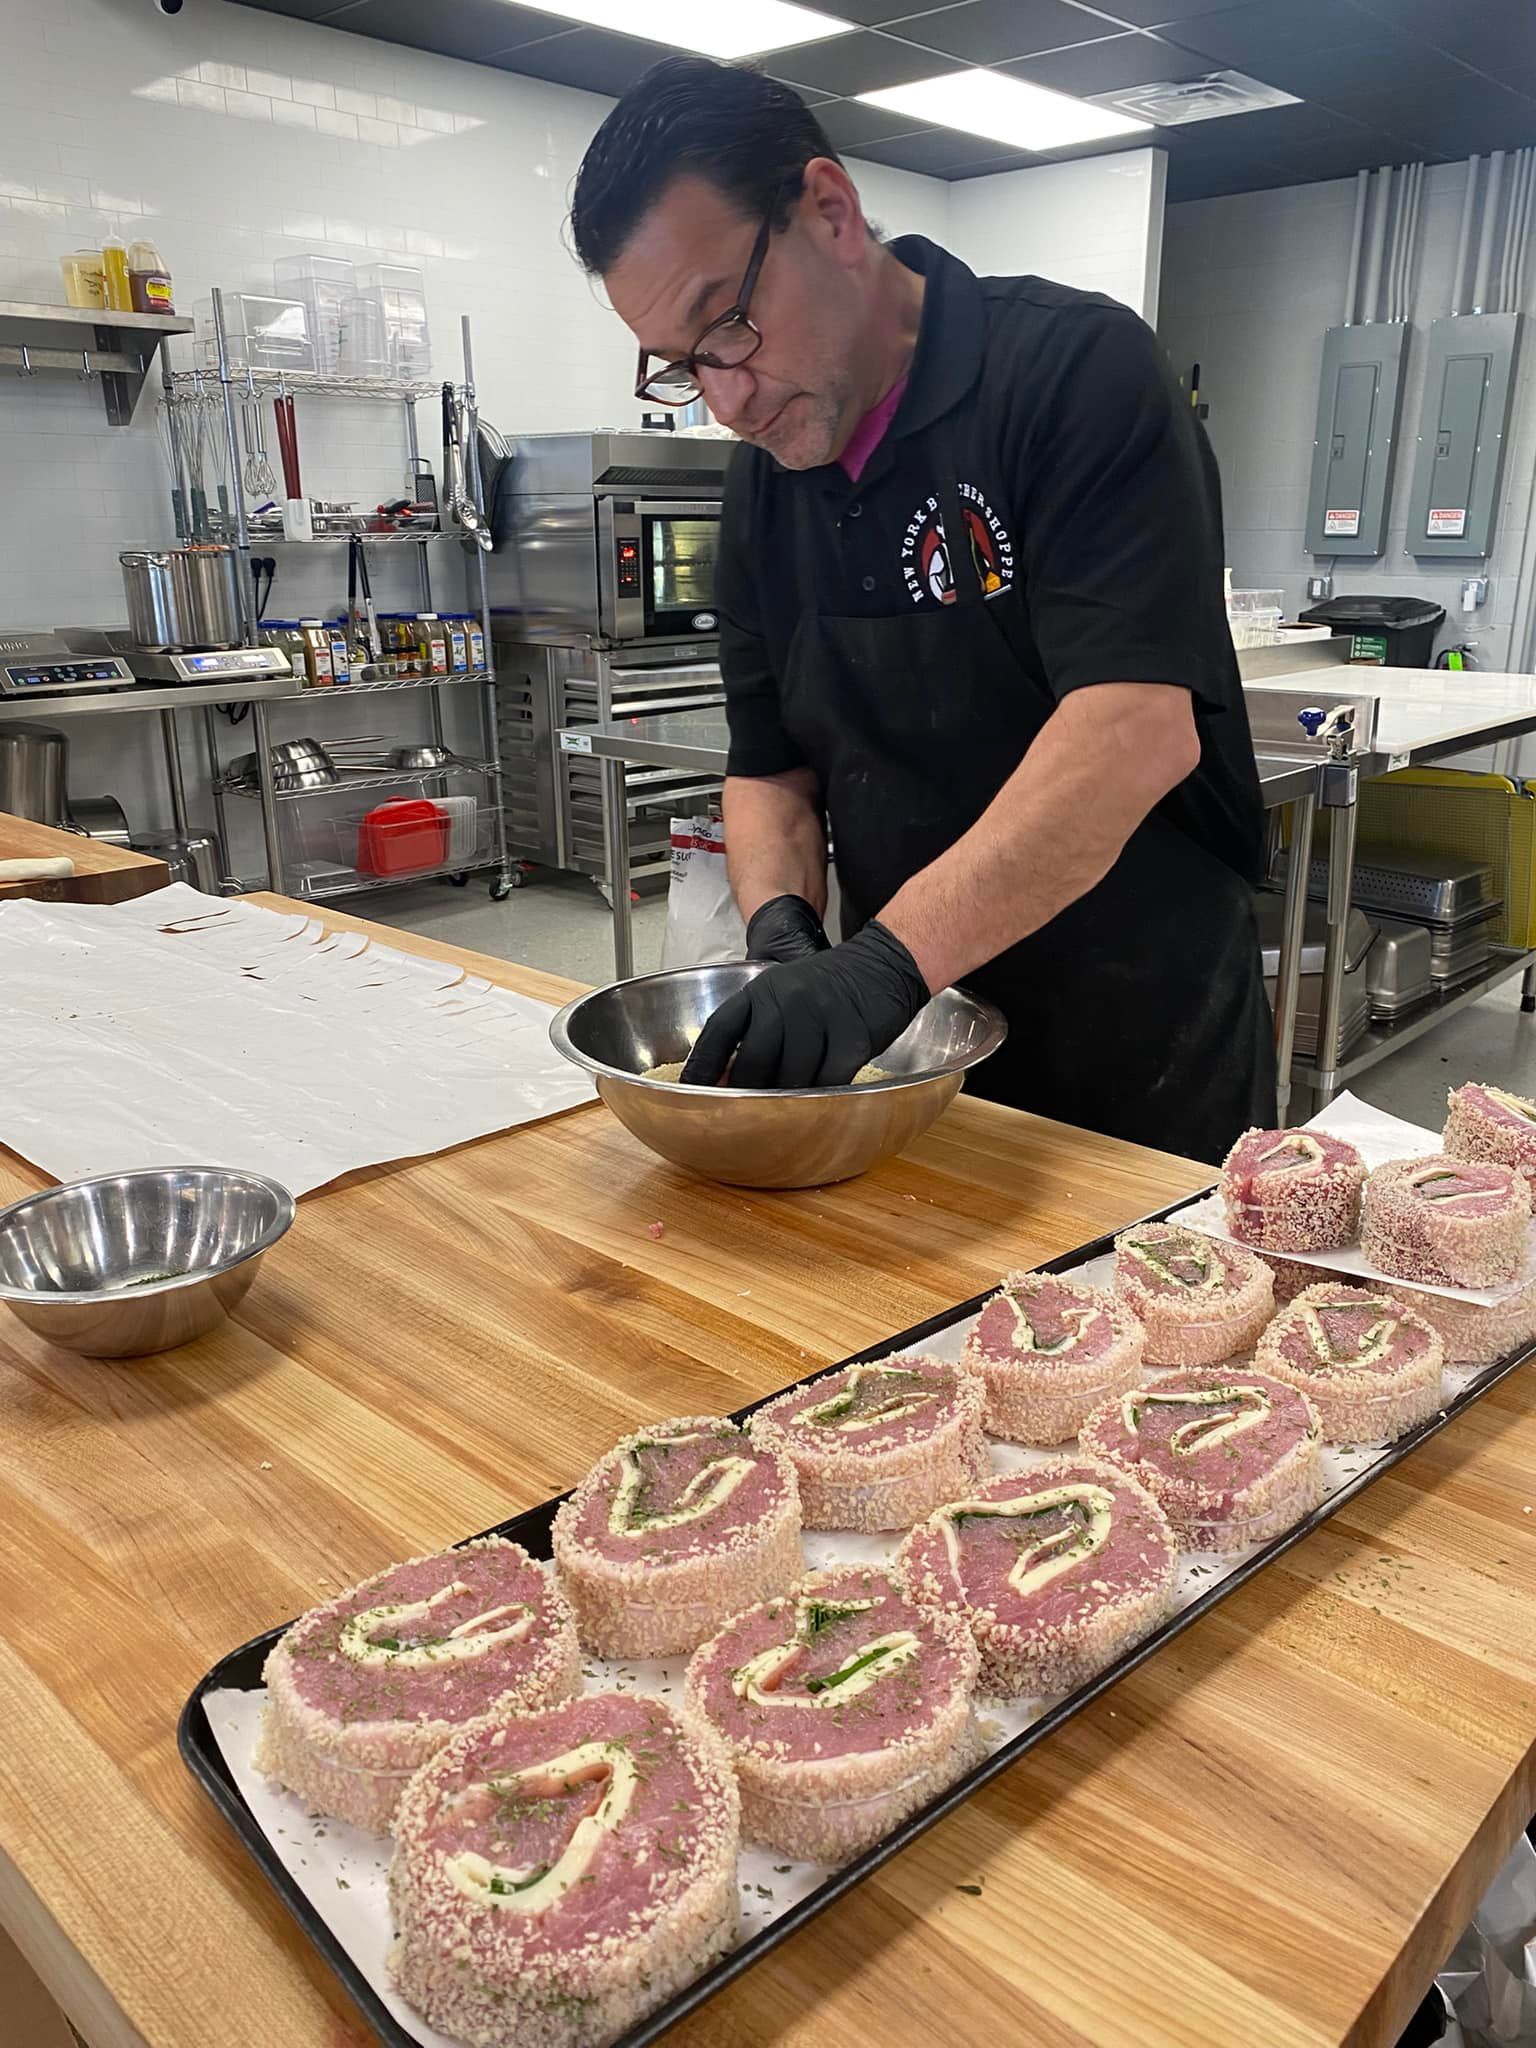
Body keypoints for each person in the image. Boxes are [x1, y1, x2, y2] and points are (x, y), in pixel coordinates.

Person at [569, 56, 1276, 1165]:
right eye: (683, 366)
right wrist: (784, 936)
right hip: (911, 1054)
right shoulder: (761, 481)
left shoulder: (1074, 374)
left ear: (831, 211)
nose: (728, 396)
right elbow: (767, 769)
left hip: (1137, 1040)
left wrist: (880, 966)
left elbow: (1133, 728)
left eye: (732, 324)